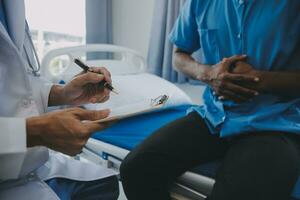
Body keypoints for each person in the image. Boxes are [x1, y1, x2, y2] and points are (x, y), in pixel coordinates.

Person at [120, 0, 300, 200]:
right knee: (136, 169)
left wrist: (259, 80)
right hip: (215, 116)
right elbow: (179, 56)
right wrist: (207, 74)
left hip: (277, 121)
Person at [0, 1, 119, 199]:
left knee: (107, 184)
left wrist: (63, 93)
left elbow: (17, 83)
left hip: (30, 166)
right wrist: (33, 132)